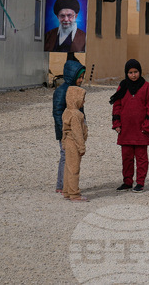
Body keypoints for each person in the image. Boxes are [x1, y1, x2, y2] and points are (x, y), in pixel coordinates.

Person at [110, 59, 149, 193]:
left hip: (141, 130)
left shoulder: (147, 87)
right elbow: (116, 106)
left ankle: (140, 182)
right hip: (126, 130)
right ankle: (127, 182)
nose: (133, 75)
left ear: (140, 72)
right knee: (127, 158)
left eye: (136, 72)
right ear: (126, 73)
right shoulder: (122, 86)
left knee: (141, 158)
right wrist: (116, 124)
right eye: (130, 72)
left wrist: (147, 127)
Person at [52, 56, 85, 194]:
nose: (81, 80)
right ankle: (61, 185)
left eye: (82, 77)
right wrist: (63, 132)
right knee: (66, 157)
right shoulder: (62, 91)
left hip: (75, 131)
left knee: (71, 158)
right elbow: (58, 113)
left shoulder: (75, 90)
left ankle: (67, 186)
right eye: (79, 77)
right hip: (66, 132)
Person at [62, 85, 88, 201]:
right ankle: (74, 194)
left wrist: (63, 142)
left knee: (68, 167)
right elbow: (77, 133)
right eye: (82, 98)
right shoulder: (76, 115)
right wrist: (82, 147)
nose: (84, 101)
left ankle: (67, 191)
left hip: (68, 142)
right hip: (74, 144)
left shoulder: (66, 112)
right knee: (74, 168)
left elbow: (64, 130)